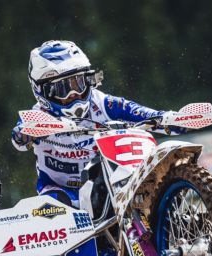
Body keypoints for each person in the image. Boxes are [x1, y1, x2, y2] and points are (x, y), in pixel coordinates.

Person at [11, 40, 185, 207]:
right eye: (63, 89)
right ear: (42, 92)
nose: (74, 94)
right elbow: (18, 138)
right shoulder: (37, 115)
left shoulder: (101, 102)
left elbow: (137, 111)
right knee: (54, 207)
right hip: (60, 192)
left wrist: (171, 119)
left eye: (79, 83)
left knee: (145, 186)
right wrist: (24, 134)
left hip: (102, 186)